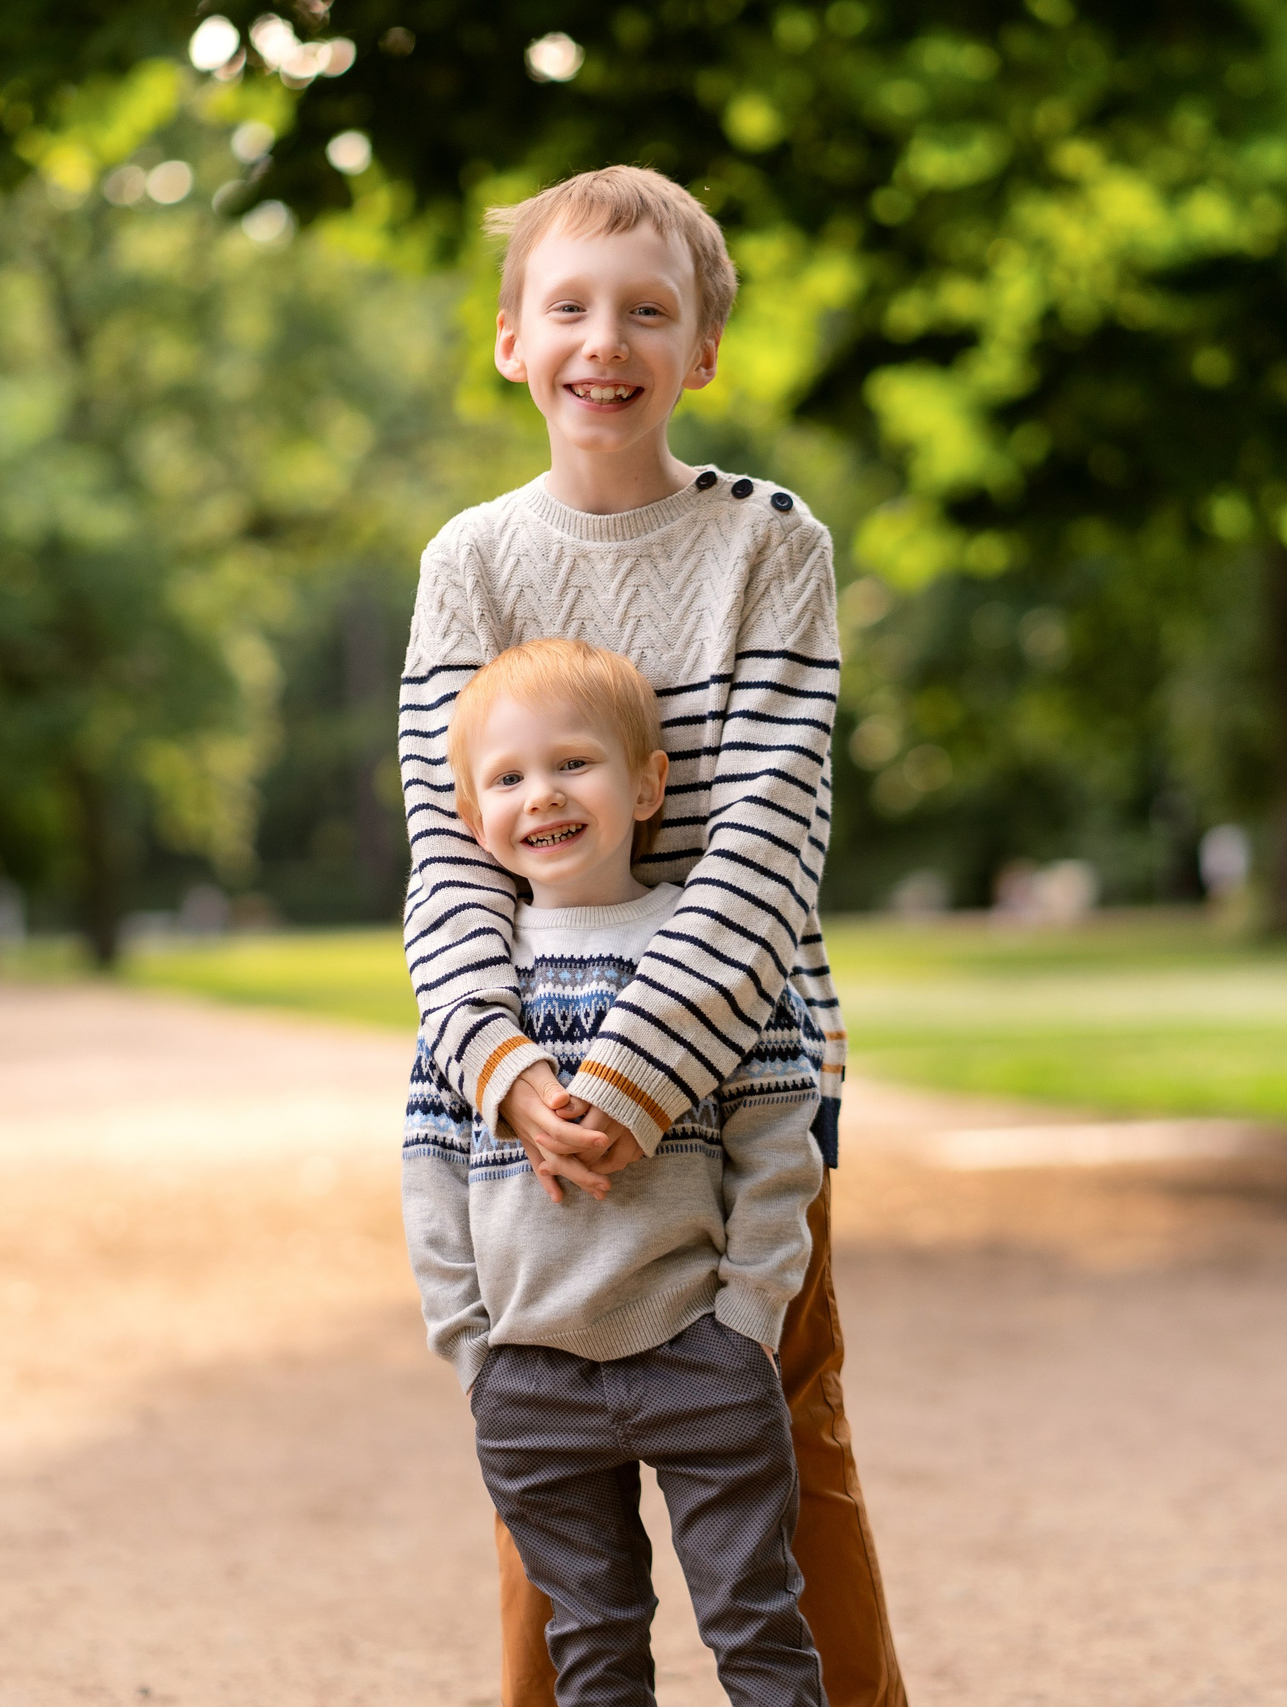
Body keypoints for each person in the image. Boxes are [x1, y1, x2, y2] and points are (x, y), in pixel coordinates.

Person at [397, 165, 909, 1707]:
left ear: (702, 352)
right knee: (543, 1476)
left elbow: (763, 846)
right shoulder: (470, 563)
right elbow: (448, 849)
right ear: (511, 342)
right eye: (567, 307)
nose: (601, 341)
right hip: (518, 1100)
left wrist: (627, 1085)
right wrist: (501, 1070)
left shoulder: (770, 545)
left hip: (747, 1068)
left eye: (646, 310)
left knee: (780, 1443)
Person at [404, 636, 831, 1707]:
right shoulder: (476, 998)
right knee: (590, 1650)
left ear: (647, 785)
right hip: (531, 1375)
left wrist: (747, 1318)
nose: (540, 795)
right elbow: (430, 1174)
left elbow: (778, 1145)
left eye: (573, 764)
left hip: (698, 1352)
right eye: (506, 778)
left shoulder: (708, 963)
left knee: (758, 1627)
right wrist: (473, 1348)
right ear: (472, 819)